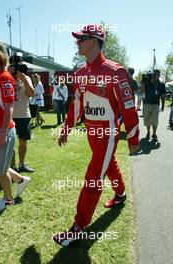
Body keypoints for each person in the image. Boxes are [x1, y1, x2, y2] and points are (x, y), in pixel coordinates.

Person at [52, 24, 140, 246]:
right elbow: (76, 105)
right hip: (91, 132)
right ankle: (120, 194)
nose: (77, 42)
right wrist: (66, 128)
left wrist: (133, 138)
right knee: (107, 164)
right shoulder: (80, 73)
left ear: (94, 41)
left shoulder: (115, 71)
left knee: (93, 178)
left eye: (82, 38)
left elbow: (128, 107)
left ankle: (77, 227)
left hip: (108, 133)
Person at [0, 41, 30, 212]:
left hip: (2, 128)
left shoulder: (4, 77)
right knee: (1, 165)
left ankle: (8, 200)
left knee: (0, 170)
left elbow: (9, 106)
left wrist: (2, 132)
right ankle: (21, 180)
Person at [9, 64, 35, 173]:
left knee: (23, 142)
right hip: (9, 116)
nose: (15, 74)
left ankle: (22, 164)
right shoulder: (6, 78)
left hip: (24, 115)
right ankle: (12, 166)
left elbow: (32, 93)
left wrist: (24, 79)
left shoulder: (26, 78)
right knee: (10, 143)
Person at [142, 69, 166, 140]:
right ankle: (148, 132)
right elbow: (142, 91)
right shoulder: (148, 82)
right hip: (147, 104)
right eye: (154, 74)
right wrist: (143, 81)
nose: (155, 75)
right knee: (147, 119)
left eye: (157, 74)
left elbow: (163, 95)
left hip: (156, 104)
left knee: (155, 120)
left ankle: (154, 133)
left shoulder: (161, 84)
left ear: (159, 75)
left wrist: (163, 105)